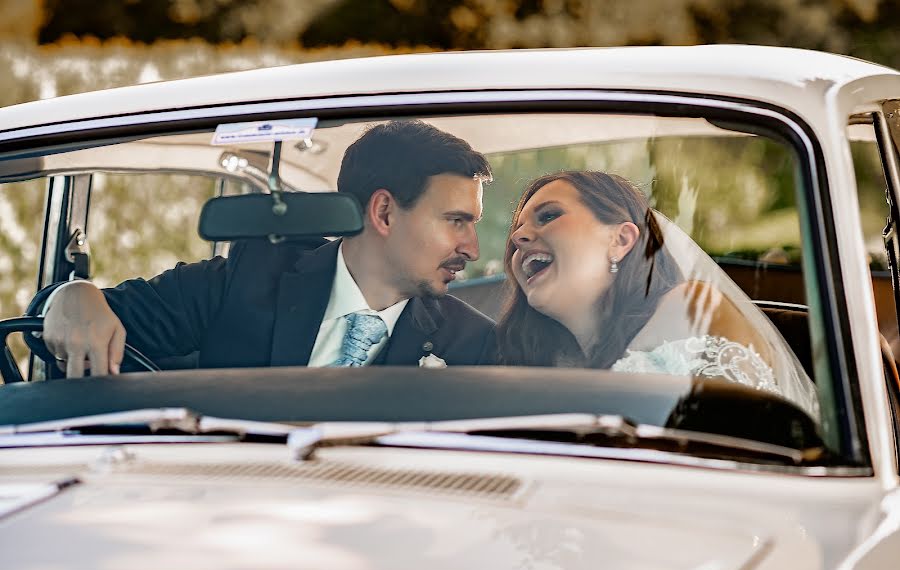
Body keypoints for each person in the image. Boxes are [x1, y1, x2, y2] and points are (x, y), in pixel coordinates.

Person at [29, 120, 497, 377]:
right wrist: (71, 296)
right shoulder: (243, 281)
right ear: (385, 213)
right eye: (457, 221)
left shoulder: (473, 345)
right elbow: (57, 332)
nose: (472, 247)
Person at [497, 171, 817, 409]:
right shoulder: (540, 360)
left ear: (620, 240)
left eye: (549, 216)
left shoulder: (690, 308)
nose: (519, 238)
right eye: (517, 231)